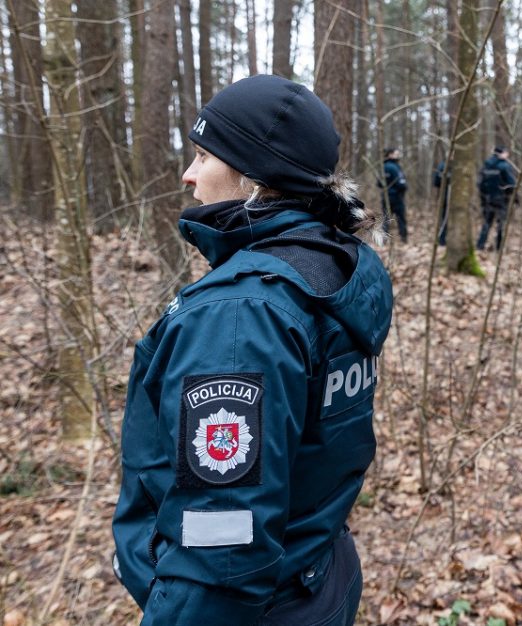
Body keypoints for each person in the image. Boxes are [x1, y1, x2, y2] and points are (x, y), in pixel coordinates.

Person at [111, 75, 393, 626]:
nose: (189, 176)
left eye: (202, 156)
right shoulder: (331, 266)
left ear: (254, 176)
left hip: (260, 607)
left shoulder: (240, 316)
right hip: (321, 576)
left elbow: (221, 552)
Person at [476, 146, 516, 251]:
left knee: (487, 223)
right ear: (501, 153)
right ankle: (499, 247)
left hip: (487, 199)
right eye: (506, 152)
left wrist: (483, 197)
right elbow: (512, 184)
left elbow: (479, 183)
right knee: (501, 223)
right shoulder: (504, 166)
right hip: (501, 199)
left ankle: (480, 245)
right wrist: (514, 197)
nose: (507, 155)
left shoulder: (486, 165)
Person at [379, 147, 408, 242]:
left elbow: (379, 183)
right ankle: (404, 239)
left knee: (386, 219)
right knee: (401, 218)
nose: (398, 155)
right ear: (390, 154)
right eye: (396, 153)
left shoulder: (383, 167)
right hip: (396, 197)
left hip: (386, 197)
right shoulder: (394, 167)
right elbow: (401, 183)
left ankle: (384, 240)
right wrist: (404, 187)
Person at [432, 159, 450, 245]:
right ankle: (442, 240)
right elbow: (436, 182)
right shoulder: (443, 165)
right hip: (445, 196)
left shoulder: (458, 165)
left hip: (451, 196)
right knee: (444, 217)